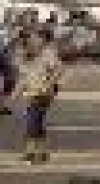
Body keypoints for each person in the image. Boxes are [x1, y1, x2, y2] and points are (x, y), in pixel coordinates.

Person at [14, 30, 63, 165]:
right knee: (37, 122)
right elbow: (23, 78)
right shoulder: (25, 56)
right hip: (31, 92)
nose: (33, 41)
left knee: (32, 121)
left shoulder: (48, 53)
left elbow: (59, 70)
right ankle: (41, 153)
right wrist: (15, 94)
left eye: (36, 38)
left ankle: (31, 153)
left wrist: (48, 84)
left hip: (43, 93)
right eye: (31, 39)